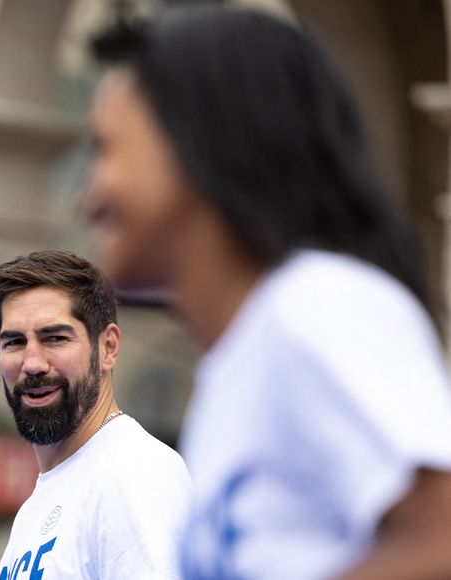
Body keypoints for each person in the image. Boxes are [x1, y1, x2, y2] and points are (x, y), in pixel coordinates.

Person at [84, 4, 451, 579]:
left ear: (195, 146)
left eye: (106, 150)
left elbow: (441, 539)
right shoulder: (244, 357)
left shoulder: (319, 306)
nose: (90, 197)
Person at [0, 250, 192, 580]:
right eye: (15, 342)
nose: (33, 363)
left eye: (55, 338)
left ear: (108, 347)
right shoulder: (39, 504)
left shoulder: (134, 473)